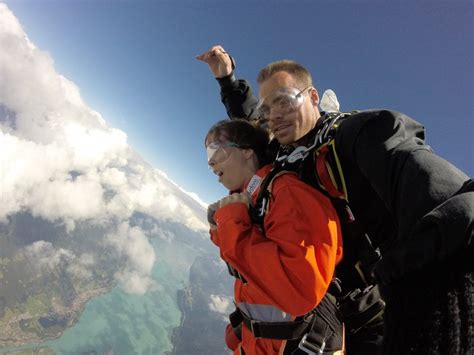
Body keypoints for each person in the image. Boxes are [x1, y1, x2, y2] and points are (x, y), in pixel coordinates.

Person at [197, 45, 474, 354]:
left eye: (284, 101)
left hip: (370, 321)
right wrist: (228, 80)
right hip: (316, 314)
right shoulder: (283, 152)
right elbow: (249, 124)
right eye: (268, 109)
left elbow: (441, 195)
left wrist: (448, 324)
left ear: (313, 97)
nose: (274, 114)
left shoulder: (356, 137)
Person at [205, 119, 344, 354]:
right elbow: (250, 267)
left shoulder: (288, 192)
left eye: (215, 149)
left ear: (247, 151)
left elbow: (299, 289)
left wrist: (230, 220)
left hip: (295, 345)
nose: (210, 161)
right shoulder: (253, 199)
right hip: (262, 341)